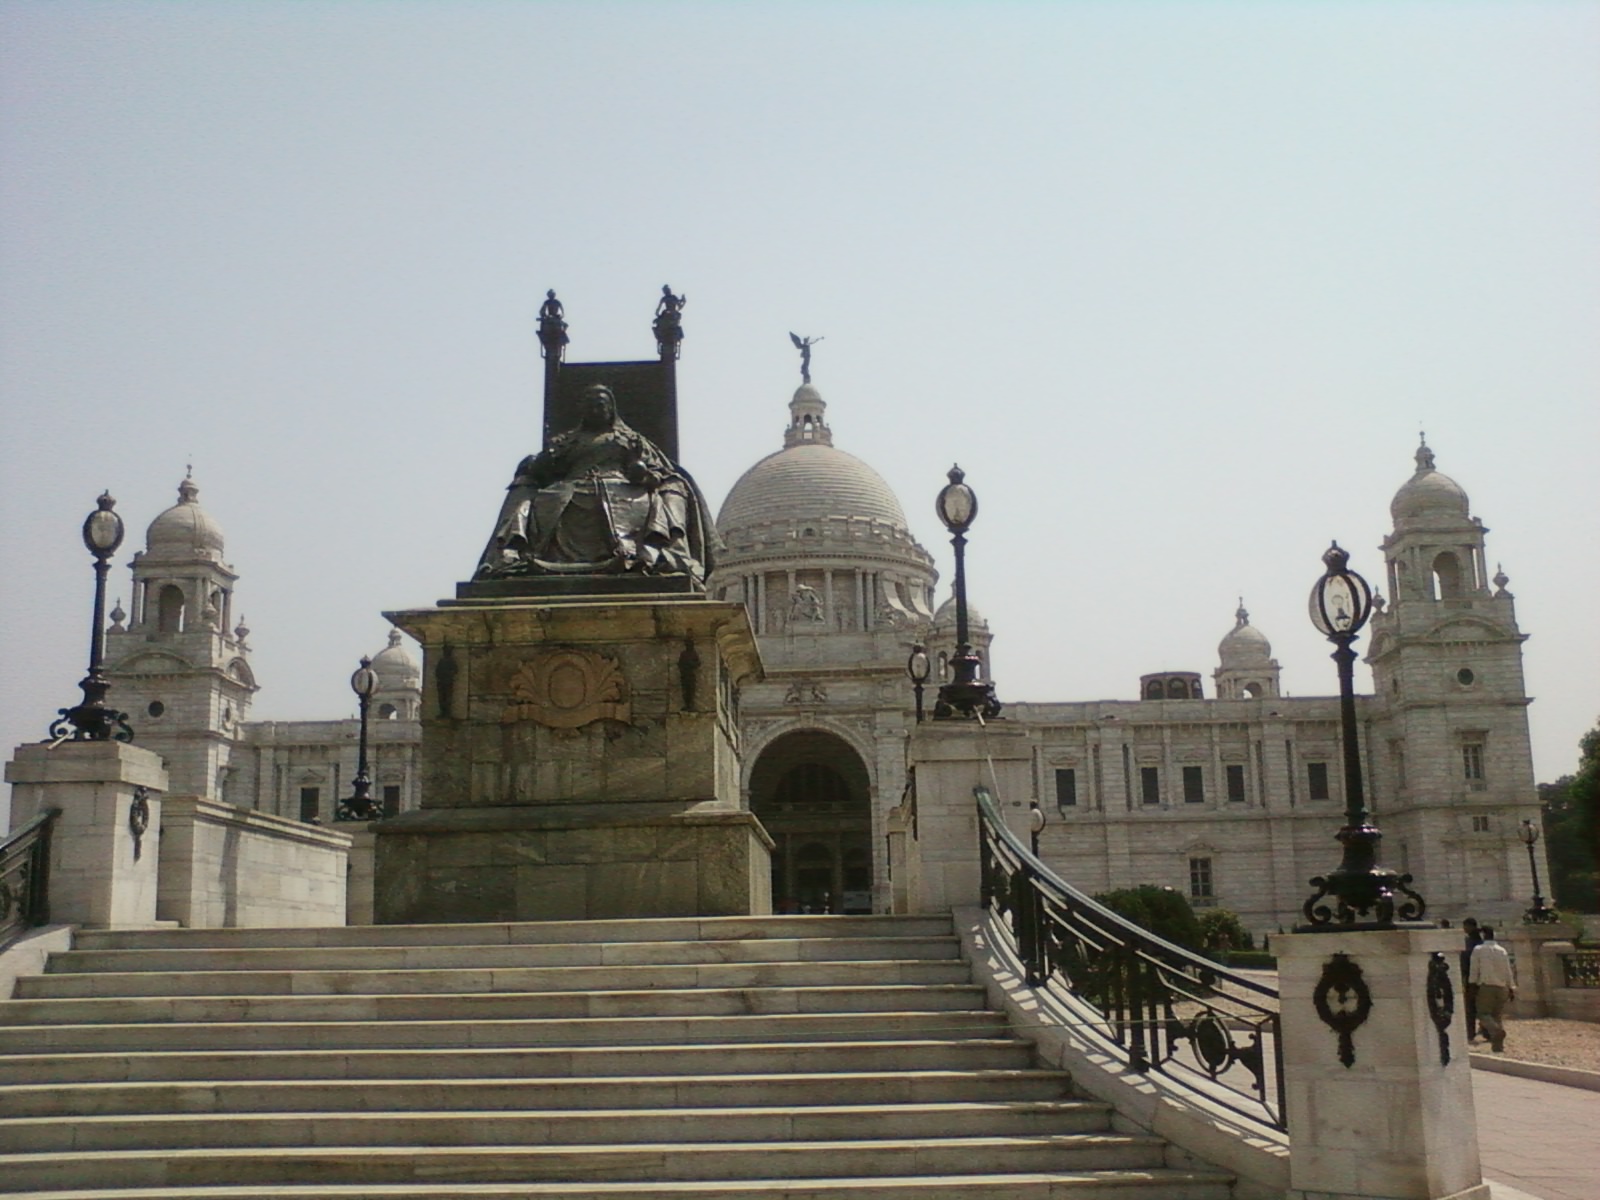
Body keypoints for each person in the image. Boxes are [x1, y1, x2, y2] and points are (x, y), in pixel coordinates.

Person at [475, 383, 714, 581]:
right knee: (532, 496)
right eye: (591, 406)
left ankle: (664, 555)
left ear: (611, 409)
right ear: (583, 410)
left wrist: (640, 470)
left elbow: (653, 471)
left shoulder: (631, 440)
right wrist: (542, 462)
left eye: (601, 405)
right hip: (569, 486)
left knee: (657, 496)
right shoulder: (565, 441)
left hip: (620, 485)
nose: (596, 410)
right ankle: (507, 553)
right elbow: (545, 471)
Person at [1468, 926, 1517, 1053]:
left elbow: (1474, 969)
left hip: (1486, 986)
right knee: (1497, 1016)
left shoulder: (1479, 950)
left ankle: (1496, 1031)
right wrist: (1511, 987)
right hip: (1502, 987)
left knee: (1483, 1014)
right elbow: (1508, 969)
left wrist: (1471, 984)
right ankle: (1498, 1047)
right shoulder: (1502, 950)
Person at [1460, 917, 1484, 1041]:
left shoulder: (1472, 943)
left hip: (1472, 978)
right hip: (1478, 977)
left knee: (1471, 1007)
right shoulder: (1477, 942)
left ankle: (1472, 1032)